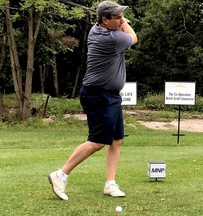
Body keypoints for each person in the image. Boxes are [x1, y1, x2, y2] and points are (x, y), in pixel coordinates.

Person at [48, 0, 138, 201]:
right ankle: (60, 175)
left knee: (117, 140)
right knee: (97, 142)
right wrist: (124, 23)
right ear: (104, 20)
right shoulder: (111, 38)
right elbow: (133, 37)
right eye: (117, 17)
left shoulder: (97, 30)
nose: (121, 19)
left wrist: (119, 20)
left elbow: (122, 28)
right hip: (98, 94)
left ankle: (110, 183)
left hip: (110, 95)